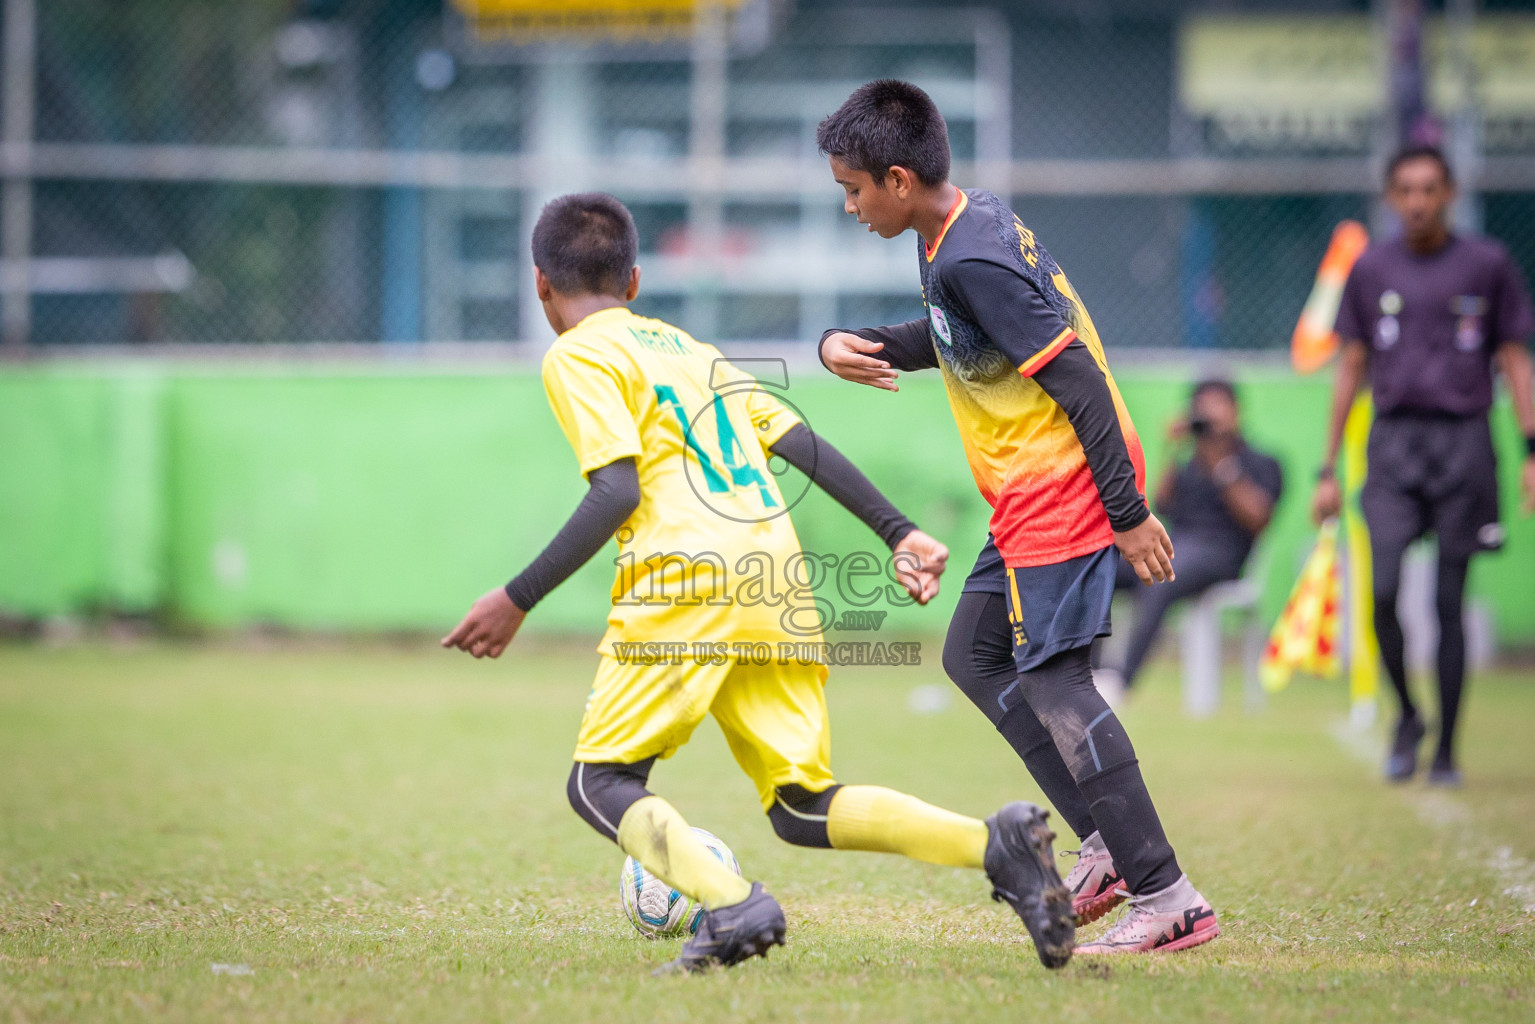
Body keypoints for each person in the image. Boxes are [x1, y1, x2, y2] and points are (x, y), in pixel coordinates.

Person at [441, 192, 1078, 975]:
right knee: (801, 804)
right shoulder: (685, 347)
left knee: (599, 782)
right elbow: (798, 442)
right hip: (772, 574)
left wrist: (515, 599)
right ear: (635, 281)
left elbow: (616, 490)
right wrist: (897, 530)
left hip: (683, 577)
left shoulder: (575, 354)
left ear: (540, 285)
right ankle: (996, 844)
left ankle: (732, 903)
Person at [815, 80, 1218, 955]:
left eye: (851, 189)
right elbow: (959, 336)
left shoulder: (967, 255)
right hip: (1027, 491)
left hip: (1065, 486)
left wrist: (1128, 514)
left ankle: (1166, 894)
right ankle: (1109, 848)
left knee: (1055, 679)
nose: (848, 206)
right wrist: (853, 343)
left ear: (895, 178)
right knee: (975, 653)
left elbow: (1072, 374)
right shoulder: (954, 232)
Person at [1313, 145, 1535, 788]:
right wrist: (1327, 469)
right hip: (1393, 447)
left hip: (1465, 444)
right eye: (1405, 189)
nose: (1417, 200)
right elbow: (1350, 365)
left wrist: (1530, 448)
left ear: (1450, 193)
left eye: (1429, 188)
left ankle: (1446, 751)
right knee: (1382, 593)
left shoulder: (1487, 264)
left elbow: (1516, 359)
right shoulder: (1371, 268)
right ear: (1390, 197)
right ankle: (1408, 716)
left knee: (1447, 600)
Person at [1094, 378, 1283, 704]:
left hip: (1223, 554)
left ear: (1236, 412)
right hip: (1178, 546)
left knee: (1160, 577)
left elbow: (1258, 519)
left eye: (1217, 407)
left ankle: (1120, 682)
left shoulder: (1261, 462)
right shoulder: (1188, 462)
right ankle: (1087, 676)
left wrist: (1221, 465)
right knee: (1099, 567)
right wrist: (1173, 448)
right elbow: (1161, 504)